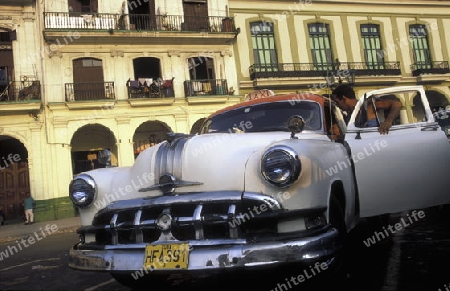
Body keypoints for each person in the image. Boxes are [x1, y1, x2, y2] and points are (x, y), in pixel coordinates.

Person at [331, 84, 402, 135]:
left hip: (378, 137)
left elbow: (396, 104)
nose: (338, 106)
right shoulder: (349, 116)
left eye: (337, 102)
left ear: (344, 99)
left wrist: (388, 121)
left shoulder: (367, 105)